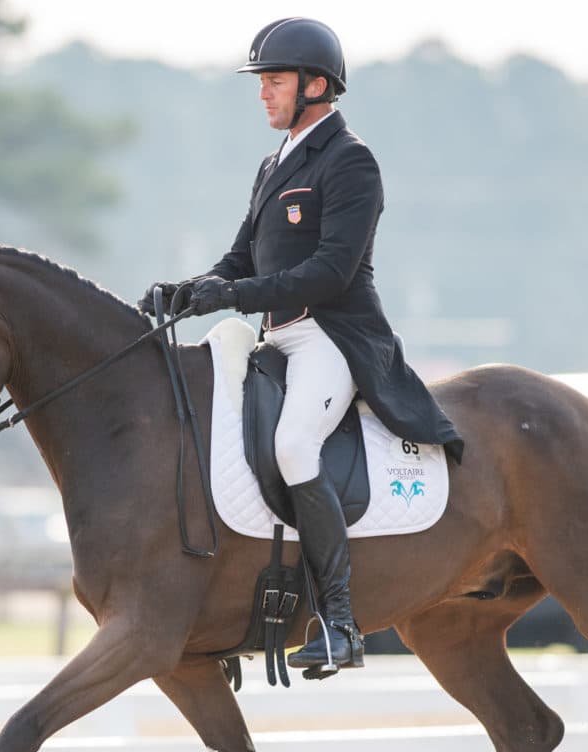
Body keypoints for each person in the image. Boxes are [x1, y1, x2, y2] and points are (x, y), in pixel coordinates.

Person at [141, 17, 463, 673]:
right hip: (275, 338)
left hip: (331, 338)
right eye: (263, 82)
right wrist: (191, 289)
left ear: (316, 86)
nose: (263, 93)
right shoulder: (274, 163)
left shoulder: (350, 162)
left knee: (292, 444)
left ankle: (340, 622)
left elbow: (329, 272)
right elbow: (240, 257)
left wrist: (231, 296)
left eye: (275, 81)